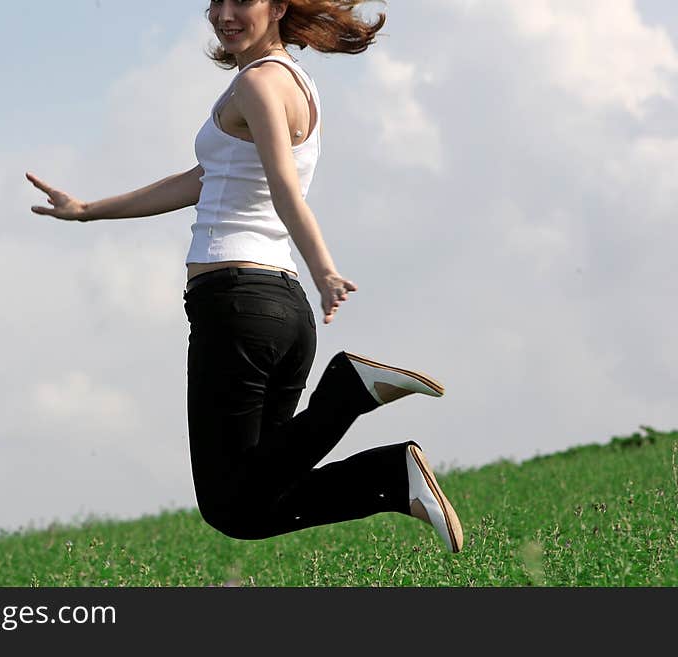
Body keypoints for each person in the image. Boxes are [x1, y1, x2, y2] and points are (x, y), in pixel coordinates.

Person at [26, 0, 463, 553]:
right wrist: (89, 209)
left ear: (278, 6)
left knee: (227, 504)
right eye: (216, 2)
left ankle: (351, 394)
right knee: (255, 502)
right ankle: (389, 475)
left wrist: (325, 267)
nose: (223, 14)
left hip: (236, 306)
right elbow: (203, 178)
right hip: (282, 312)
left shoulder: (258, 84)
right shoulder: (295, 83)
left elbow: (283, 188)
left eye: (241, 1)